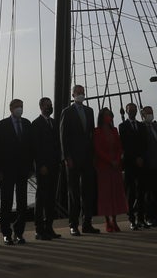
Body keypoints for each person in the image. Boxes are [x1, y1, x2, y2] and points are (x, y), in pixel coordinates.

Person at [60, 85, 98, 235]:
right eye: (79, 93)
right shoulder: (67, 112)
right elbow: (63, 136)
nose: (81, 95)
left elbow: (91, 134)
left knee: (88, 192)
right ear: (73, 94)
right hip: (73, 158)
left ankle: (87, 223)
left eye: (83, 92)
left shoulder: (89, 111)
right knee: (73, 193)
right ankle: (73, 224)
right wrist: (66, 157)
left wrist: (93, 155)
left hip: (87, 157)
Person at [0, 98, 34, 244]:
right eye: (18, 106)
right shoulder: (3, 125)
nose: (20, 109)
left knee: (22, 202)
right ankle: (6, 233)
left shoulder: (26, 124)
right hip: (7, 169)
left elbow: (30, 147)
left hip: (23, 170)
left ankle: (19, 232)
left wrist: (31, 167)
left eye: (22, 106)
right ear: (11, 108)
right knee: (6, 202)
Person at [30, 97, 61, 240]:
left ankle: (49, 226)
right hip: (43, 166)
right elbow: (35, 147)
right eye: (47, 105)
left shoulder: (54, 123)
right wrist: (40, 165)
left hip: (54, 165)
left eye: (51, 105)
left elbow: (57, 144)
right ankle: (39, 229)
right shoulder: (36, 124)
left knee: (51, 198)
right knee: (41, 197)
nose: (50, 107)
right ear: (41, 106)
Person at [93, 107, 128, 232]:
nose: (109, 117)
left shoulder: (114, 130)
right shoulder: (96, 131)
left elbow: (119, 146)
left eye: (110, 115)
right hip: (104, 166)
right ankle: (108, 221)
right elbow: (98, 149)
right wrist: (110, 160)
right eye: (107, 115)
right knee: (106, 194)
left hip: (115, 166)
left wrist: (117, 159)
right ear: (102, 117)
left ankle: (115, 219)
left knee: (116, 193)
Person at [118, 103, 146, 228]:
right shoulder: (122, 126)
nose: (133, 112)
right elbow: (124, 145)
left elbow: (145, 143)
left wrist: (141, 157)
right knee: (131, 192)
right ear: (126, 111)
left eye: (134, 110)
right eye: (130, 110)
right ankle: (132, 219)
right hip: (130, 163)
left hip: (141, 162)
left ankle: (141, 218)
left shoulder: (141, 126)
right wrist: (135, 158)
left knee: (141, 192)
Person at [138, 106, 157, 226]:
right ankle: (149, 217)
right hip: (147, 164)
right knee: (148, 193)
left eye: (151, 112)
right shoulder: (141, 127)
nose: (150, 114)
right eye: (148, 113)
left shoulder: (156, 127)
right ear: (143, 115)